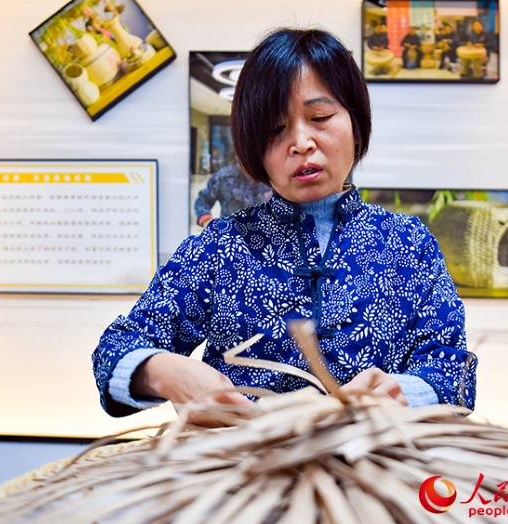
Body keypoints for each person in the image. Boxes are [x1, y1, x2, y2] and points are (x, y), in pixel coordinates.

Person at [92, 28, 477, 422]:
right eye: (275, 129)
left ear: (355, 123)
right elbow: (115, 350)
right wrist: (165, 372)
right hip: (242, 474)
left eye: (321, 117)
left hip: (377, 472)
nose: (301, 142)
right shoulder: (220, 245)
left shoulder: (409, 243)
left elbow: (454, 373)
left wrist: (405, 393)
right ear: (253, 147)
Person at [194, 163, 270, 227]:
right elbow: (203, 200)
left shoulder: (270, 177)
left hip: (265, 238)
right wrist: (207, 221)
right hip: (230, 238)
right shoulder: (224, 177)